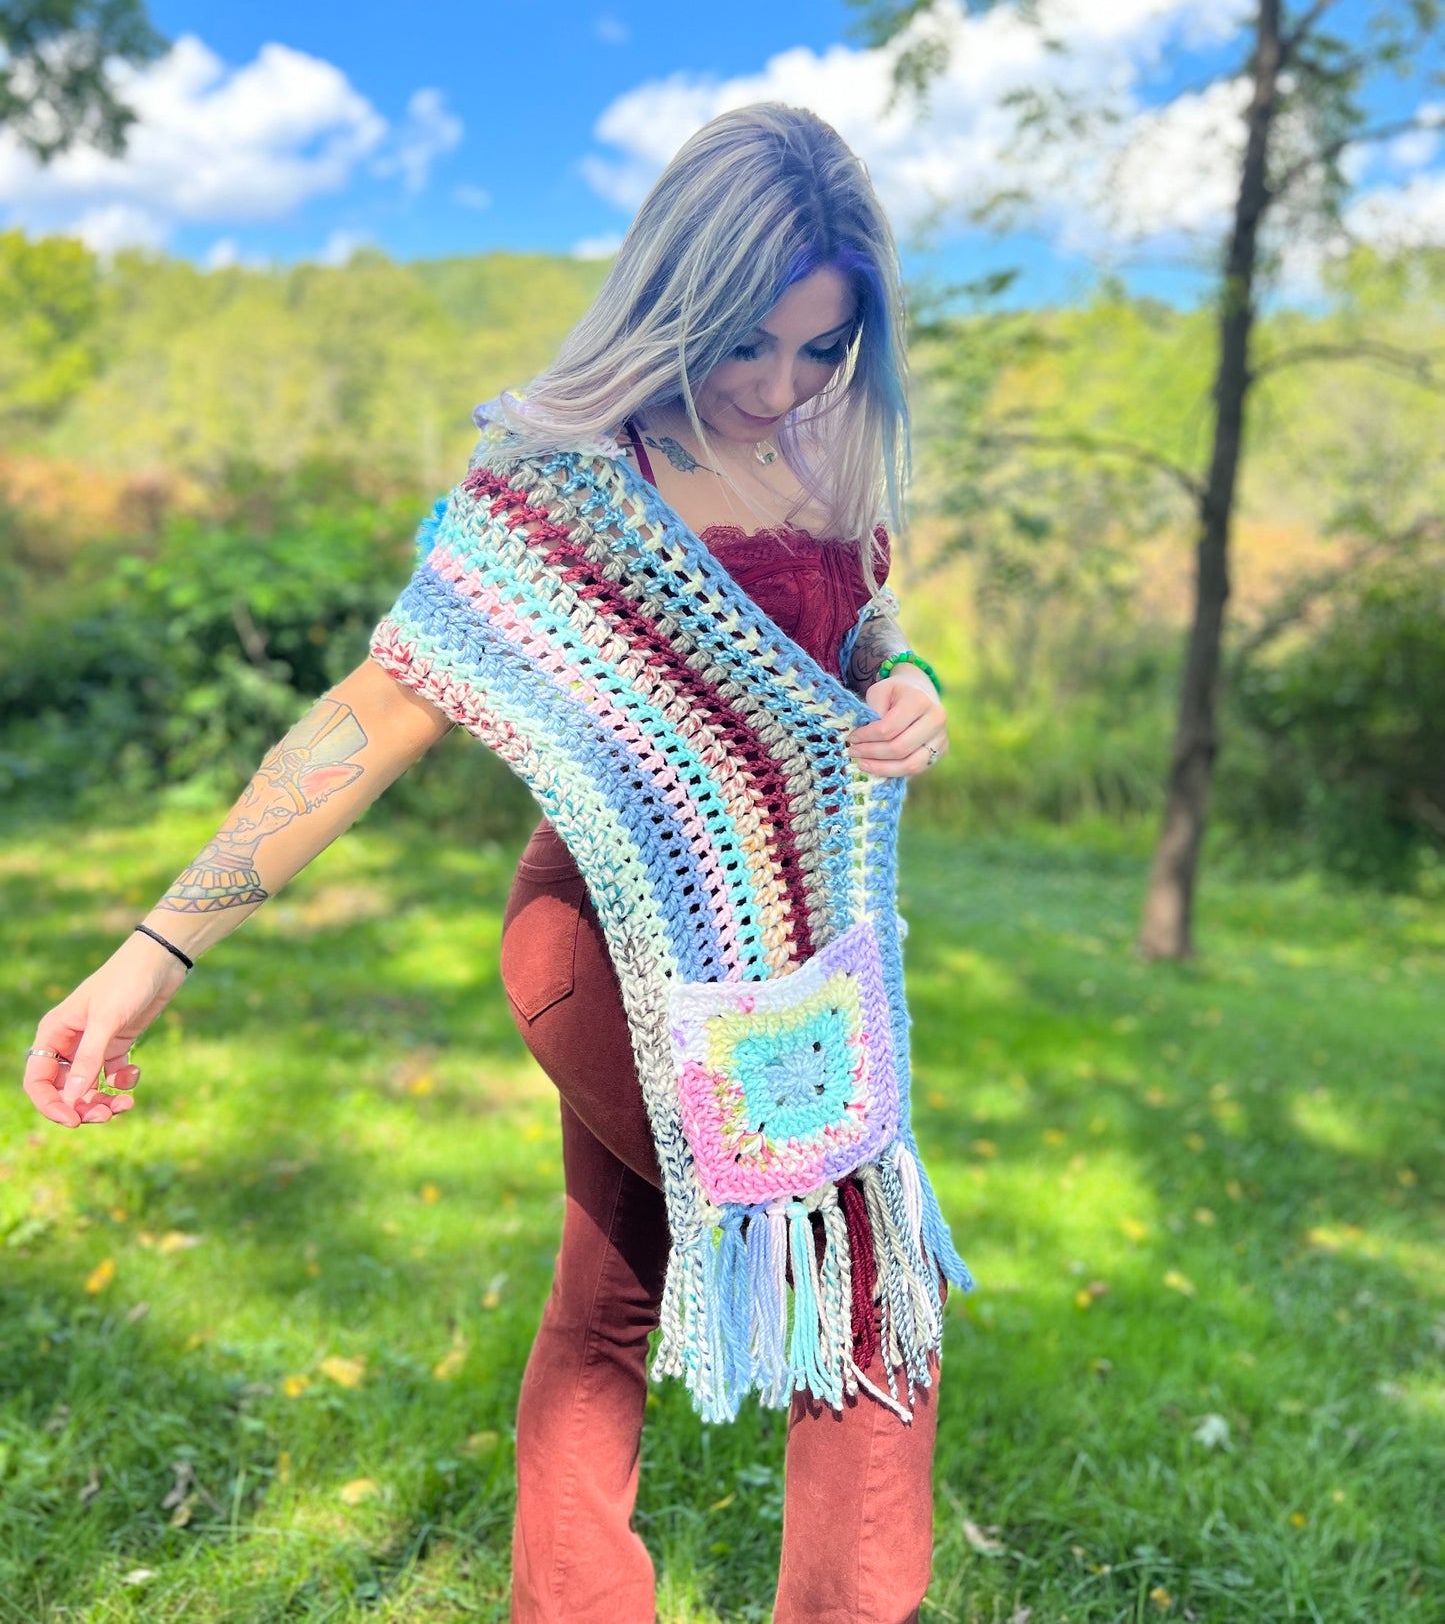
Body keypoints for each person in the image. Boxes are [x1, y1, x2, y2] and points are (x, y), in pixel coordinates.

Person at [23, 102, 952, 1624]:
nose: (779, 385)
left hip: (797, 959)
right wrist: (154, 950)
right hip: (607, 953)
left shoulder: (827, 448)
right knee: (865, 1294)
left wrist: (908, 682)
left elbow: (855, 636)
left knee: (612, 1291)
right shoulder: (570, 485)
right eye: (746, 342)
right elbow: (375, 716)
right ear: (674, 297)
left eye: (822, 348)